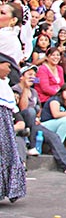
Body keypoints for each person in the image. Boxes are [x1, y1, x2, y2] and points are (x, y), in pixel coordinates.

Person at [0, 58, 25, 202]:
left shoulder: (5, 85)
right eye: (7, 66)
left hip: (5, 122)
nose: (9, 70)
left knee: (7, 152)